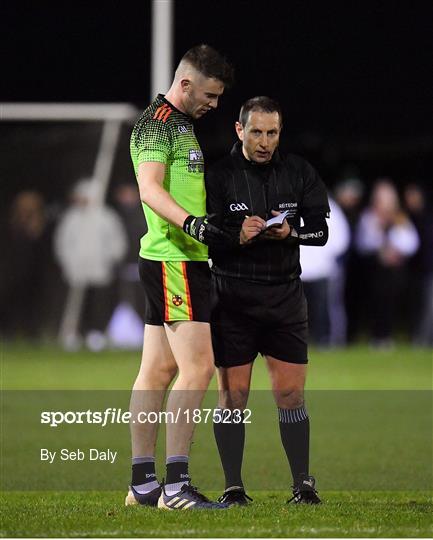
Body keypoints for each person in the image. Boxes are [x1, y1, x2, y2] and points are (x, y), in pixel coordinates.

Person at [206, 96, 330, 505]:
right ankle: (233, 487)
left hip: (284, 300)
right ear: (239, 130)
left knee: (291, 396)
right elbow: (203, 230)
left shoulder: (298, 172)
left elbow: (321, 232)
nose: (264, 141)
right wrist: (235, 232)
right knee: (234, 397)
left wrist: (291, 232)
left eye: (272, 133)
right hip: (232, 298)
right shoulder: (219, 175)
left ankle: (302, 485)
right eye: (256, 132)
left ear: (280, 133)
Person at [126, 44, 234, 510]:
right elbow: (148, 189)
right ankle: (175, 487)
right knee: (199, 368)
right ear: (185, 84)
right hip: (176, 259)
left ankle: (143, 485)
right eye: (209, 94)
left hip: (174, 257)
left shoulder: (183, 125)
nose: (215, 103)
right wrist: (192, 225)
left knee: (159, 369)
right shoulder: (157, 125)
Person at [354, 178, 419, 347]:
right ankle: (377, 336)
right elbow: (362, 243)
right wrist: (379, 245)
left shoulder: (400, 218)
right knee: (376, 301)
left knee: (392, 301)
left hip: (395, 269)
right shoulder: (369, 217)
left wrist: (395, 250)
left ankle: (389, 335)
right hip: (375, 268)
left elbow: (412, 242)